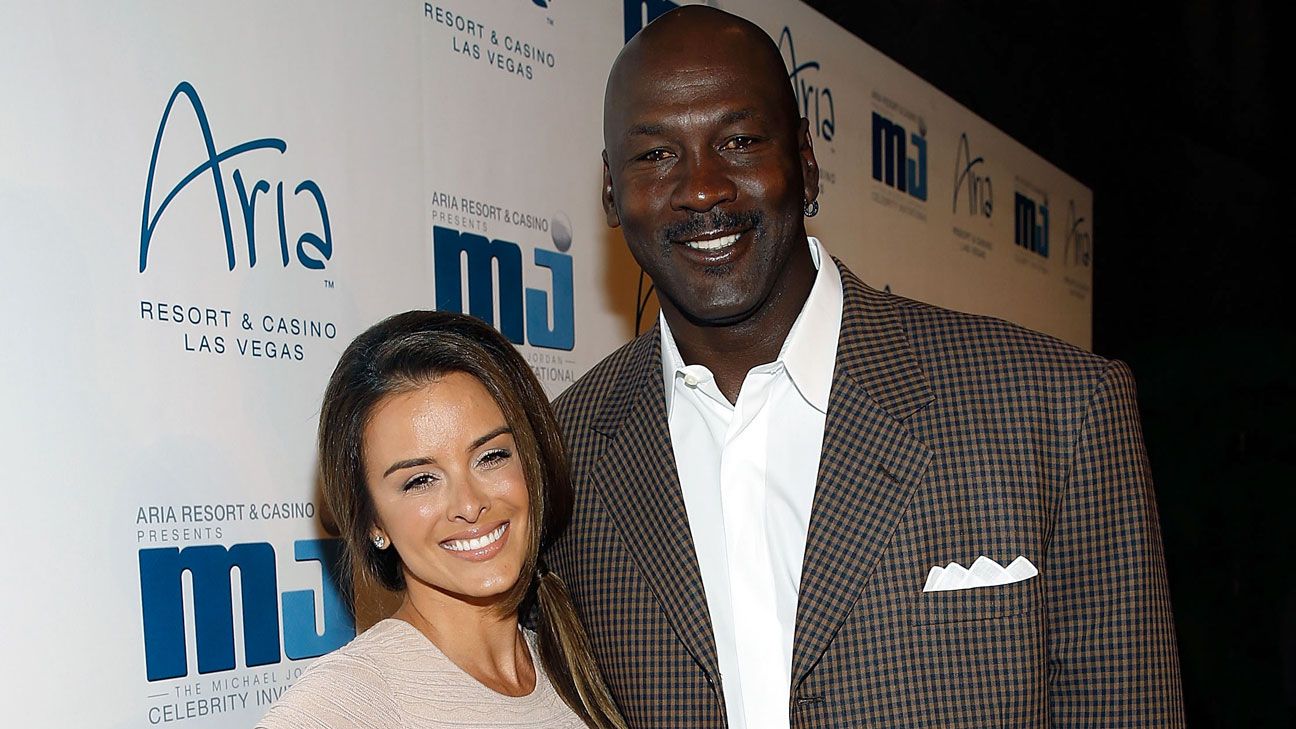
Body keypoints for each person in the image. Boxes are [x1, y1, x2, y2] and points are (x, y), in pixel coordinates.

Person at [545, 6, 1184, 728]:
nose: (702, 188)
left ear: (806, 164)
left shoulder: (1057, 408)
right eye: (657, 154)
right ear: (609, 192)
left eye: (741, 140)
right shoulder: (563, 457)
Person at [257, 311, 625, 729]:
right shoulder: (349, 703)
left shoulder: (579, 668)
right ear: (373, 522)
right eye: (420, 481)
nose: (468, 505)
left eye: (491, 456)